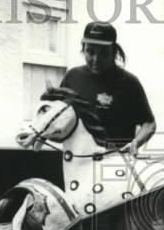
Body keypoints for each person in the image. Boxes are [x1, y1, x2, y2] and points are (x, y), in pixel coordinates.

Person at [51, 21, 156, 154]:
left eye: (103, 53)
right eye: (90, 52)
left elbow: (149, 124)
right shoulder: (72, 77)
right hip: (77, 164)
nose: (96, 59)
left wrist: (135, 143)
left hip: (116, 162)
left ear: (114, 52)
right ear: (83, 49)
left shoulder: (129, 83)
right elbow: (59, 118)